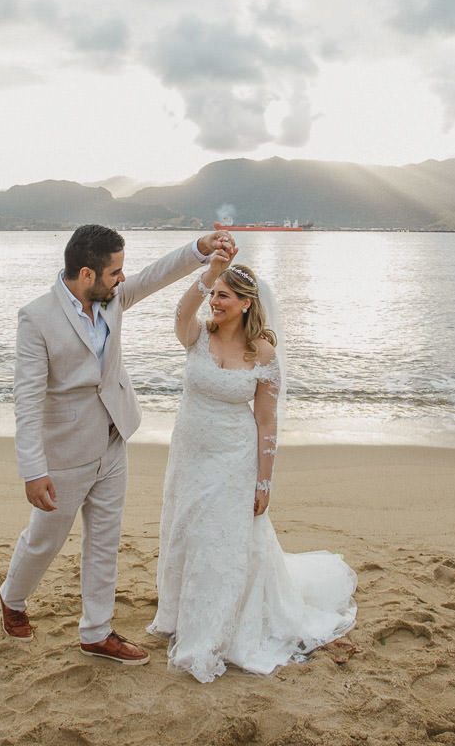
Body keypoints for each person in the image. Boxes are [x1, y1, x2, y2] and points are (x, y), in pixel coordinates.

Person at [0, 224, 234, 665]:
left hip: (114, 439)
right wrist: (33, 470)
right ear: (87, 274)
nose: (123, 278)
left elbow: (153, 276)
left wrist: (199, 250)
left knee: (105, 541)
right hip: (65, 454)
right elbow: (27, 401)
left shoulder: (112, 299)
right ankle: (12, 599)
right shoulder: (36, 318)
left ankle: (96, 632)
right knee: (44, 541)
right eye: (115, 271)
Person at [148, 250, 358, 682]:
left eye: (224, 296)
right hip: (189, 452)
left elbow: (266, 419)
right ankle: (177, 613)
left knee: (218, 540)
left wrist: (265, 481)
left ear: (246, 302)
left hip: (234, 456)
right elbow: (180, 309)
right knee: (185, 528)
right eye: (214, 295)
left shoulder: (262, 351)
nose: (215, 302)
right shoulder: (196, 335)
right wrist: (208, 274)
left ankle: (211, 632)